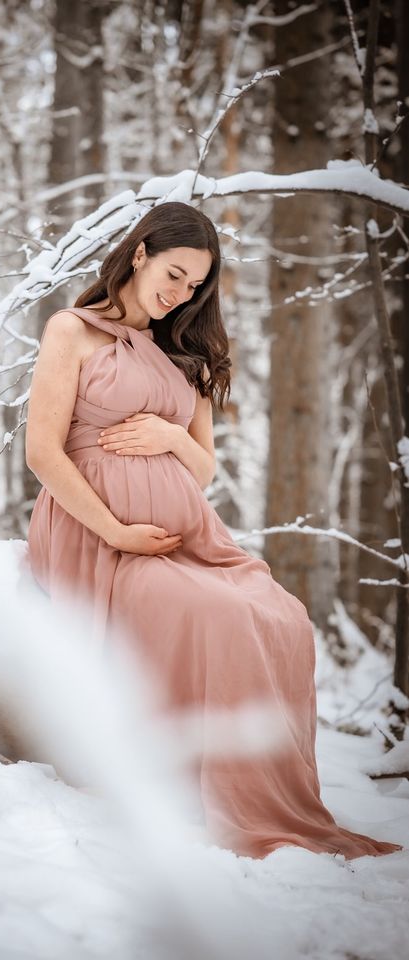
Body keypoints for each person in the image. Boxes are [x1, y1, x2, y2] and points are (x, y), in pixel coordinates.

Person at [24, 201, 402, 860]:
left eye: (193, 285)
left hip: (190, 541)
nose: (179, 294)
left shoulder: (183, 352)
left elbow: (198, 467)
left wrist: (171, 433)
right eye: (173, 274)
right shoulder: (71, 331)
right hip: (95, 537)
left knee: (280, 615)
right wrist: (114, 529)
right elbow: (42, 454)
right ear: (138, 253)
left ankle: (252, 792)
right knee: (215, 617)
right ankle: (182, 784)